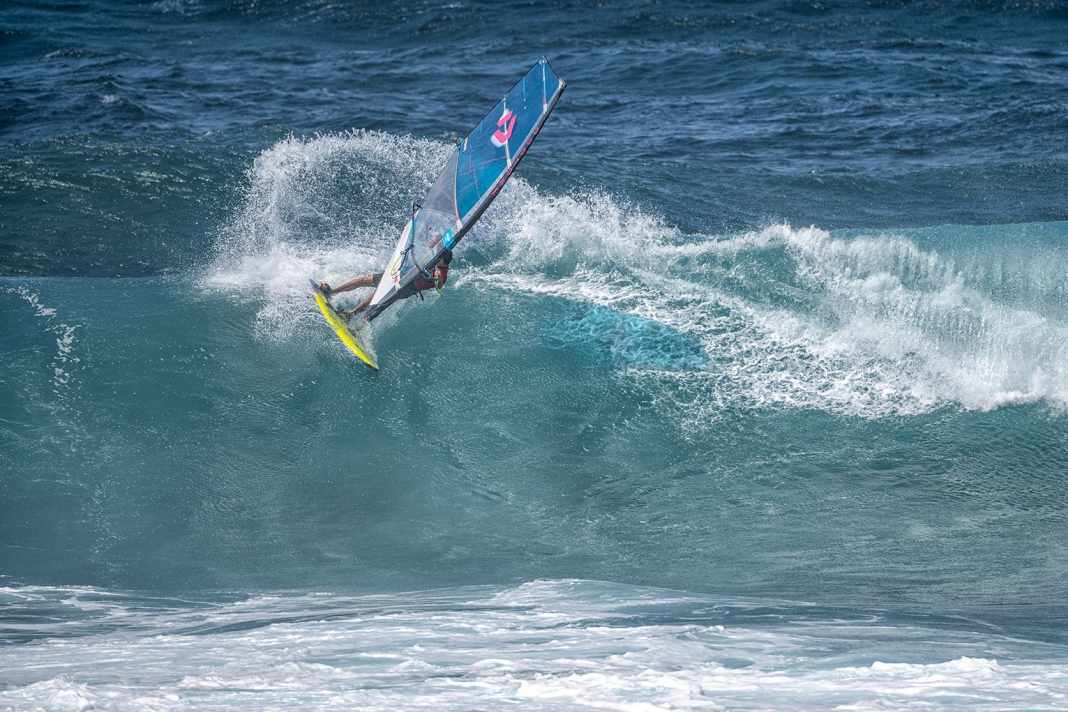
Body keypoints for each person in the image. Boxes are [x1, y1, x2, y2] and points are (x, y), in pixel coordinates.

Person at [319, 248, 453, 318]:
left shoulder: (442, 273)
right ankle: (332, 292)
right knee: (365, 279)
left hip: (405, 287)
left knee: (375, 298)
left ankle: (350, 315)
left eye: (438, 256)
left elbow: (439, 286)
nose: (435, 257)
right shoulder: (436, 262)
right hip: (400, 274)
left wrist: (437, 278)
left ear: (442, 260)